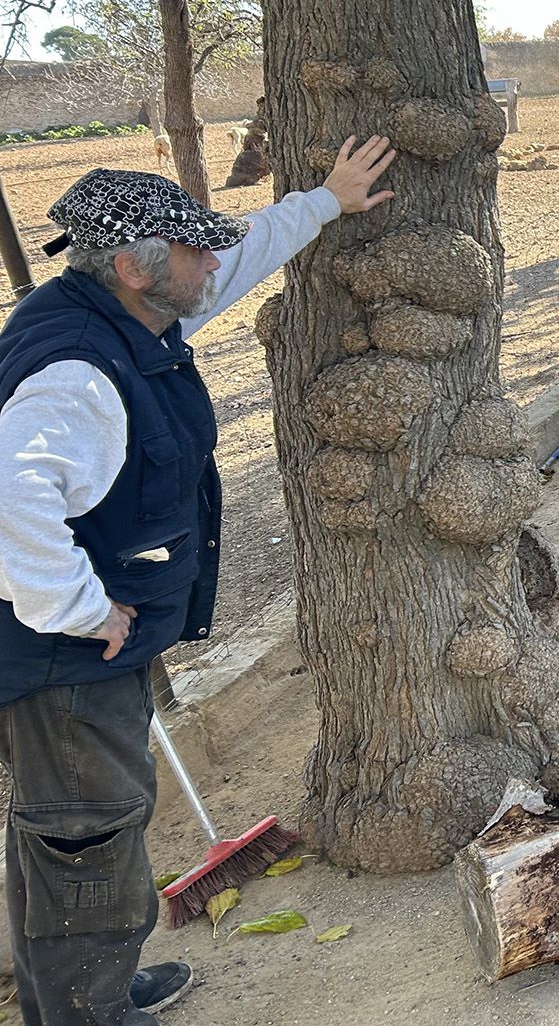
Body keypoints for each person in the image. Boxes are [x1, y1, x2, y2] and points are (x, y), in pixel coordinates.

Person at [0, 135, 396, 1026]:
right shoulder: (76, 373)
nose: (211, 257)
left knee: (63, 830)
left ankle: (75, 992)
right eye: (191, 247)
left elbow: (239, 256)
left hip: (77, 641)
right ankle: (86, 1013)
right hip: (57, 656)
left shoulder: (124, 312)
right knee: (85, 835)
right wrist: (79, 607)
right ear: (138, 269)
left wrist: (324, 200)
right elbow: (9, 496)